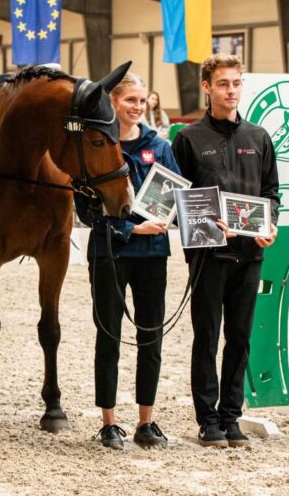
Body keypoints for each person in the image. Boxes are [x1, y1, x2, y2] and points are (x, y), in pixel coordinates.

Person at [171, 53, 279, 449]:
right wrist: (204, 226)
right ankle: (207, 419)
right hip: (208, 258)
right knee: (207, 337)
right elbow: (176, 204)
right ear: (207, 87)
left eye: (235, 83)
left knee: (240, 337)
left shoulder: (259, 138)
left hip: (250, 256)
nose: (230, 90)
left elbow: (271, 194)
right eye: (222, 84)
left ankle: (232, 416)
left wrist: (270, 224)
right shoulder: (188, 139)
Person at [76, 73, 179, 450]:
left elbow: (174, 200)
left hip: (153, 256)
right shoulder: (96, 144)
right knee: (109, 336)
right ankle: (109, 422)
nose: (137, 107)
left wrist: (171, 220)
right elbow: (85, 210)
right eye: (129, 100)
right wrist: (131, 230)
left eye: (142, 101)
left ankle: (146, 422)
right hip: (110, 252)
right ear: (113, 102)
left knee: (151, 336)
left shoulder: (160, 147)